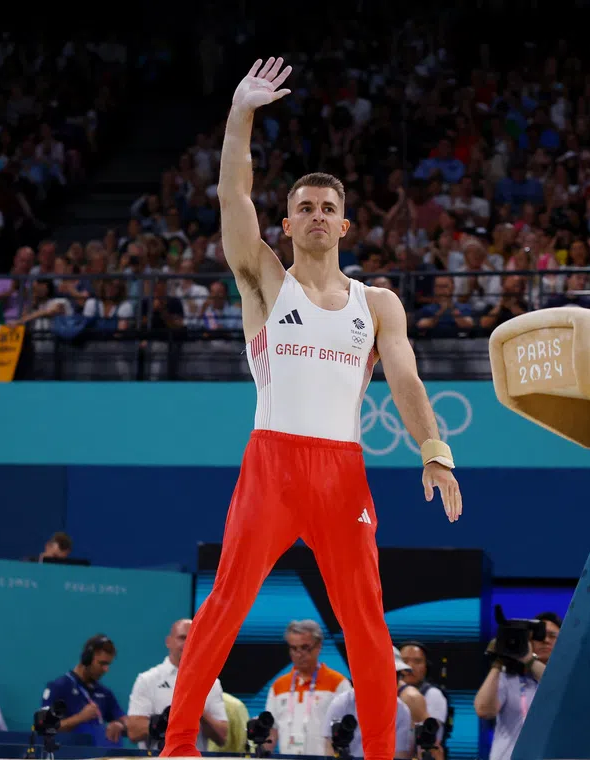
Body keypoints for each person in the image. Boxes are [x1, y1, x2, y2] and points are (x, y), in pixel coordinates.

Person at [162, 56, 463, 760]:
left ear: (346, 225)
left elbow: (410, 383)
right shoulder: (266, 282)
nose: (317, 216)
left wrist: (436, 452)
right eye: (305, 207)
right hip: (273, 462)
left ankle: (384, 754)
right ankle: (176, 750)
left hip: (341, 472)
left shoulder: (377, 304)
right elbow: (233, 200)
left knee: (365, 623)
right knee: (225, 605)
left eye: (329, 207)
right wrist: (241, 112)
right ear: (288, 223)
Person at [126, 619, 228, 751]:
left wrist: (198, 710)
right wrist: (166, 722)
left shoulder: (212, 683)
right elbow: (133, 731)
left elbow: (222, 737)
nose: (188, 643)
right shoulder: (147, 680)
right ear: (168, 641)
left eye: (193, 638)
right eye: (182, 638)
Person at [473, 612, 561, 760]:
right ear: (528, 640)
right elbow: (483, 710)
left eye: (552, 636)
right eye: (539, 636)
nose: (545, 640)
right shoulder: (508, 677)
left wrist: (528, 660)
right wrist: (498, 662)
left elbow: (558, 686)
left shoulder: (568, 679)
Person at [262, 620, 352, 755]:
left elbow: (350, 731)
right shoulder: (278, 686)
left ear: (319, 646)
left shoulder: (339, 684)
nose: (299, 654)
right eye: (294, 648)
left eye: (305, 648)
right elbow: (271, 733)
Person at [322, 647, 416, 759]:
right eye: (387, 675)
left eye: (396, 676)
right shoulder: (342, 704)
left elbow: (399, 756)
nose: (391, 681)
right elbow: (330, 749)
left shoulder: (402, 711)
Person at [42, 635, 126, 748]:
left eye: (108, 664)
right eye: (102, 663)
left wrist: (120, 724)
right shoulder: (60, 687)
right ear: (86, 659)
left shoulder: (104, 693)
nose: (106, 669)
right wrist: (80, 717)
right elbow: (46, 727)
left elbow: (126, 721)